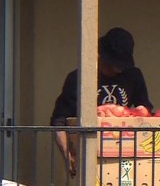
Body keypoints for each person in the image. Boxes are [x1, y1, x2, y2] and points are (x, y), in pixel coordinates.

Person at [50, 27, 154, 176]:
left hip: (125, 156)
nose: (118, 70)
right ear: (102, 55)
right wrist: (67, 155)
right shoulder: (78, 78)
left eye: (121, 65)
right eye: (113, 64)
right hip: (87, 156)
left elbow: (145, 111)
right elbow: (59, 121)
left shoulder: (133, 76)